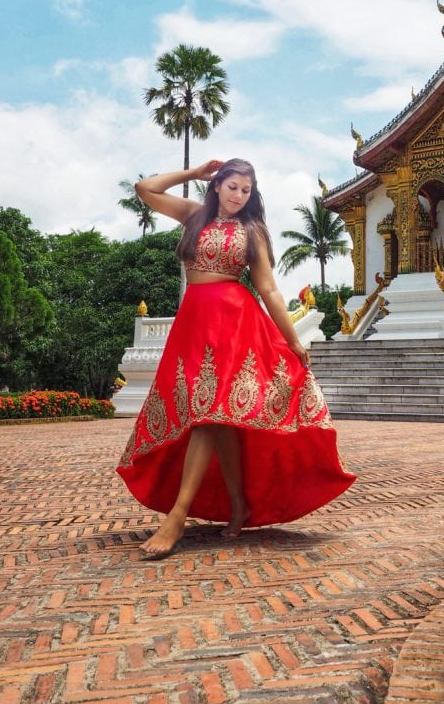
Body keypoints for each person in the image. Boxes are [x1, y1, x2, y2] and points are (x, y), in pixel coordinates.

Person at [116, 158, 356, 559]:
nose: (239, 196)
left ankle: (177, 515)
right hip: (194, 323)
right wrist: (192, 174)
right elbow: (146, 189)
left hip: (234, 323)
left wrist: (292, 340)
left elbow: (270, 290)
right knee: (218, 419)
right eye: (232, 187)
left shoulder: (253, 231)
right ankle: (239, 504)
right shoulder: (193, 215)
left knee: (209, 415)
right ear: (217, 186)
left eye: (246, 190)